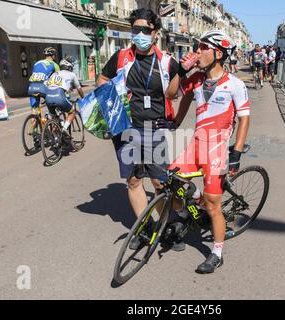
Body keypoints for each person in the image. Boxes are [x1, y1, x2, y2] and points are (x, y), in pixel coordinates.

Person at [165, 30, 251, 274]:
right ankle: (191, 211)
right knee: (170, 182)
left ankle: (217, 252)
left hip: (217, 149)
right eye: (198, 47)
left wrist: (237, 151)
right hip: (195, 144)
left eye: (203, 48)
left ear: (218, 53)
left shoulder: (235, 84)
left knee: (213, 205)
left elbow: (244, 119)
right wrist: (182, 71)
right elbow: (172, 95)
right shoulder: (196, 79)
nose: (197, 52)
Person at [97, 8, 182, 250]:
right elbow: (102, 80)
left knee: (159, 182)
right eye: (136, 29)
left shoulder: (167, 62)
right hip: (125, 128)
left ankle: (168, 227)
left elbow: (175, 93)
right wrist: (111, 97)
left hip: (153, 128)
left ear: (155, 33)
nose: (140, 34)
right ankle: (144, 228)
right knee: (134, 181)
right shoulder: (122, 57)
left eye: (146, 30)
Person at [45, 58, 85, 136]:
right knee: (72, 112)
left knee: (55, 116)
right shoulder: (72, 74)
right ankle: (64, 128)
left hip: (48, 97)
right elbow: (79, 89)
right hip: (60, 96)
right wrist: (83, 98)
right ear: (69, 67)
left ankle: (55, 136)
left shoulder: (54, 73)